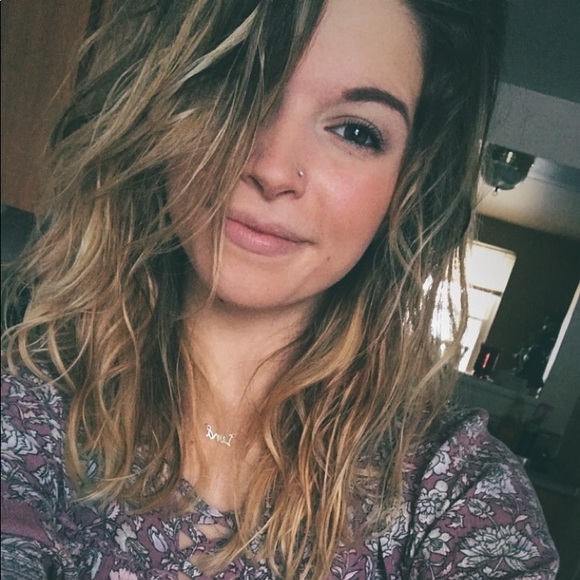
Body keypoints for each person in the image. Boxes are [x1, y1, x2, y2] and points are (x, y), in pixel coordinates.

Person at [1, 0, 559, 578]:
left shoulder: (455, 488)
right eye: (238, 88)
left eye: (355, 131)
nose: (272, 169)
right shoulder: (29, 407)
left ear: (409, 184)